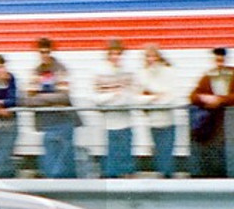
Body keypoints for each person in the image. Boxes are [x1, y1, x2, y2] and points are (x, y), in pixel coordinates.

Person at [26, 37, 78, 178]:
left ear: (51, 51)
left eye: (47, 52)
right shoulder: (36, 72)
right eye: (42, 52)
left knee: (65, 160)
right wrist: (51, 99)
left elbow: (64, 97)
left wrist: (41, 97)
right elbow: (29, 100)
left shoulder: (60, 69)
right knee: (50, 160)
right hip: (46, 122)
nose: (44, 55)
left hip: (63, 121)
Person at [92, 39, 138, 178]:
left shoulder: (128, 72)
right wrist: (114, 95)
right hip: (110, 122)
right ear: (108, 55)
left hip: (126, 120)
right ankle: (112, 179)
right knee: (113, 153)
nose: (115, 57)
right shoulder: (100, 72)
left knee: (126, 152)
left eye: (118, 54)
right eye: (112, 54)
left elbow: (131, 95)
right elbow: (97, 98)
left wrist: (116, 98)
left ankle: (126, 178)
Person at [189, 47, 234, 177]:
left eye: (221, 60)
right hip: (213, 121)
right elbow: (193, 95)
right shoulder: (208, 76)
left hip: (229, 119)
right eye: (216, 60)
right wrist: (203, 98)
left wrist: (220, 100)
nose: (219, 63)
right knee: (214, 148)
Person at [138, 45, 180, 177]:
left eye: (153, 56)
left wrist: (152, 97)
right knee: (157, 150)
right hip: (153, 120)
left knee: (167, 150)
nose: (151, 59)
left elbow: (171, 97)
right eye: (148, 56)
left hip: (168, 119)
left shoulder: (168, 71)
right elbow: (138, 99)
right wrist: (155, 96)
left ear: (158, 57)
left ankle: (168, 176)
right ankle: (162, 176)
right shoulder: (143, 74)